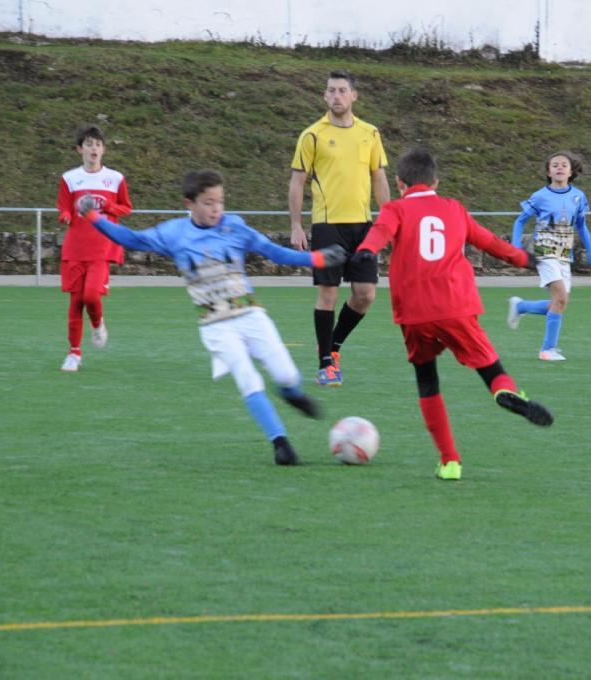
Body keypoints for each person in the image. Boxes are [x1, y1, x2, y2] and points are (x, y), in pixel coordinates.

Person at [79, 170, 348, 466]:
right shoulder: (173, 233)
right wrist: (93, 216)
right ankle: (280, 442)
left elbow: (274, 253)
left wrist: (318, 259)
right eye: (208, 202)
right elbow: (129, 238)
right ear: (189, 204)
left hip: (251, 316)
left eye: (220, 201)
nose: (216, 208)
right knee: (248, 378)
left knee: (286, 375)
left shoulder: (235, 227)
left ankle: (290, 393)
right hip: (216, 326)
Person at [351, 149, 553, 481]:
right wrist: (524, 259)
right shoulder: (453, 209)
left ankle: (450, 462)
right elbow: (488, 242)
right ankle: (505, 392)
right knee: (492, 370)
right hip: (455, 307)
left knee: (427, 381)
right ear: (436, 182)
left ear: (400, 183)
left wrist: (365, 252)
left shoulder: (395, 208)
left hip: (414, 313)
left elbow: (380, 232)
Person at [288, 69, 390, 387]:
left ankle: (332, 346)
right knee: (328, 295)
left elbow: (379, 178)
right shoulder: (312, 135)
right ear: (324, 96)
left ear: (354, 95)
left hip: (363, 226)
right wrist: (296, 225)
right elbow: (297, 182)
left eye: (342, 90)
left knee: (366, 295)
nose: (336, 96)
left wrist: (388, 221)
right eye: (331, 90)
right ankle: (325, 364)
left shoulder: (370, 134)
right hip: (327, 226)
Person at [506, 151, 591, 361]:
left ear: (571, 171)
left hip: (564, 255)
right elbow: (520, 221)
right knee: (561, 298)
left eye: (564, 165)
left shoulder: (578, 196)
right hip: (545, 253)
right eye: (554, 165)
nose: (559, 168)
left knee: (559, 303)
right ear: (548, 171)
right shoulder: (540, 196)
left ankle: (521, 306)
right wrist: (515, 246)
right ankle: (547, 349)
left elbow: (581, 225)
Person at [56, 125, 133, 372]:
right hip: (76, 247)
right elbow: (64, 208)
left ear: (104, 150)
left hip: (102, 246)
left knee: (91, 295)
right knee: (76, 301)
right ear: (80, 149)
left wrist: (109, 206)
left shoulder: (115, 178)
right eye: (88, 144)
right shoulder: (69, 178)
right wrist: (66, 216)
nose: (94, 149)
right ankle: (74, 353)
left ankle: (98, 324)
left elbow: (126, 207)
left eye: (98, 144)